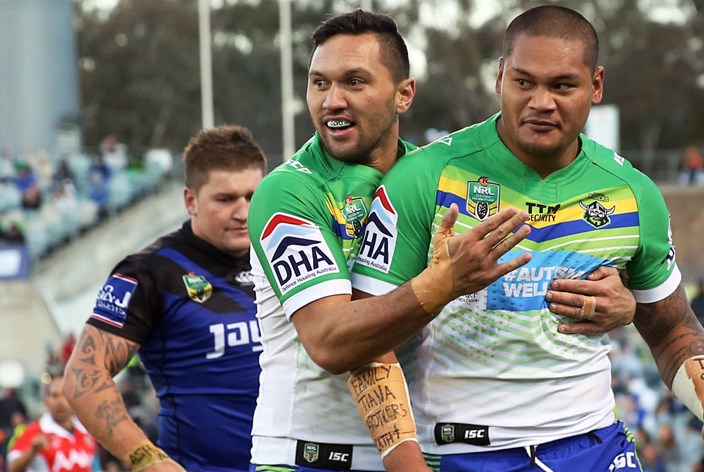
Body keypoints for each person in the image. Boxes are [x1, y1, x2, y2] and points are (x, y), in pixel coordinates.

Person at [351, 5, 704, 471]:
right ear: (500, 75)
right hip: (460, 453)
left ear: (596, 85)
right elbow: (367, 334)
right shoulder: (424, 176)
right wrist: (405, 463)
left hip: (594, 445)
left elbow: (672, 328)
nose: (541, 102)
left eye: (562, 85)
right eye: (524, 82)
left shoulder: (635, 194)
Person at [247, 9, 637, 472]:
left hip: (428, 454)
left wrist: (621, 302)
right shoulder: (289, 192)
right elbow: (331, 342)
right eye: (319, 83)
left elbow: (487, 295)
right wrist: (444, 283)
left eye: (354, 82)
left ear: (403, 94)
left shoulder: (434, 179)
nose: (333, 100)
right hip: (310, 458)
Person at [62, 125, 267, 472]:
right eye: (225, 199)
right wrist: (145, 458)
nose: (243, 212)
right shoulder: (149, 272)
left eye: (252, 196)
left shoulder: (286, 258)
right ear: (190, 200)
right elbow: (83, 374)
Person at [6, 374, 96, 472]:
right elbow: (12, 468)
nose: (60, 401)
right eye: (54, 395)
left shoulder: (87, 432)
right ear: (46, 400)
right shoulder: (32, 431)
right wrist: (32, 450)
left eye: (64, 395)